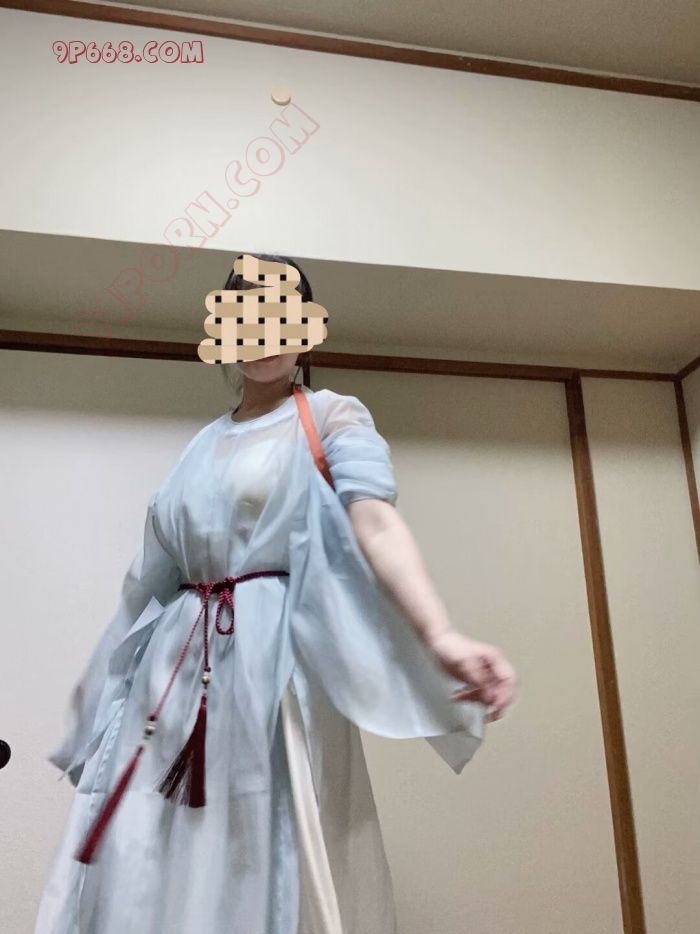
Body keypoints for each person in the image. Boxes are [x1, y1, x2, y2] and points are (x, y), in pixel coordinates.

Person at [35, 254, 517, 934]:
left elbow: (375, 522)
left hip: (273, 664)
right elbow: (149, 582)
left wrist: (439, 634)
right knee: (157, 849)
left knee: (268, 838)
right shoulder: (201, 445)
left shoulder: (330, 415)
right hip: (175, 677)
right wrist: (108, 699)